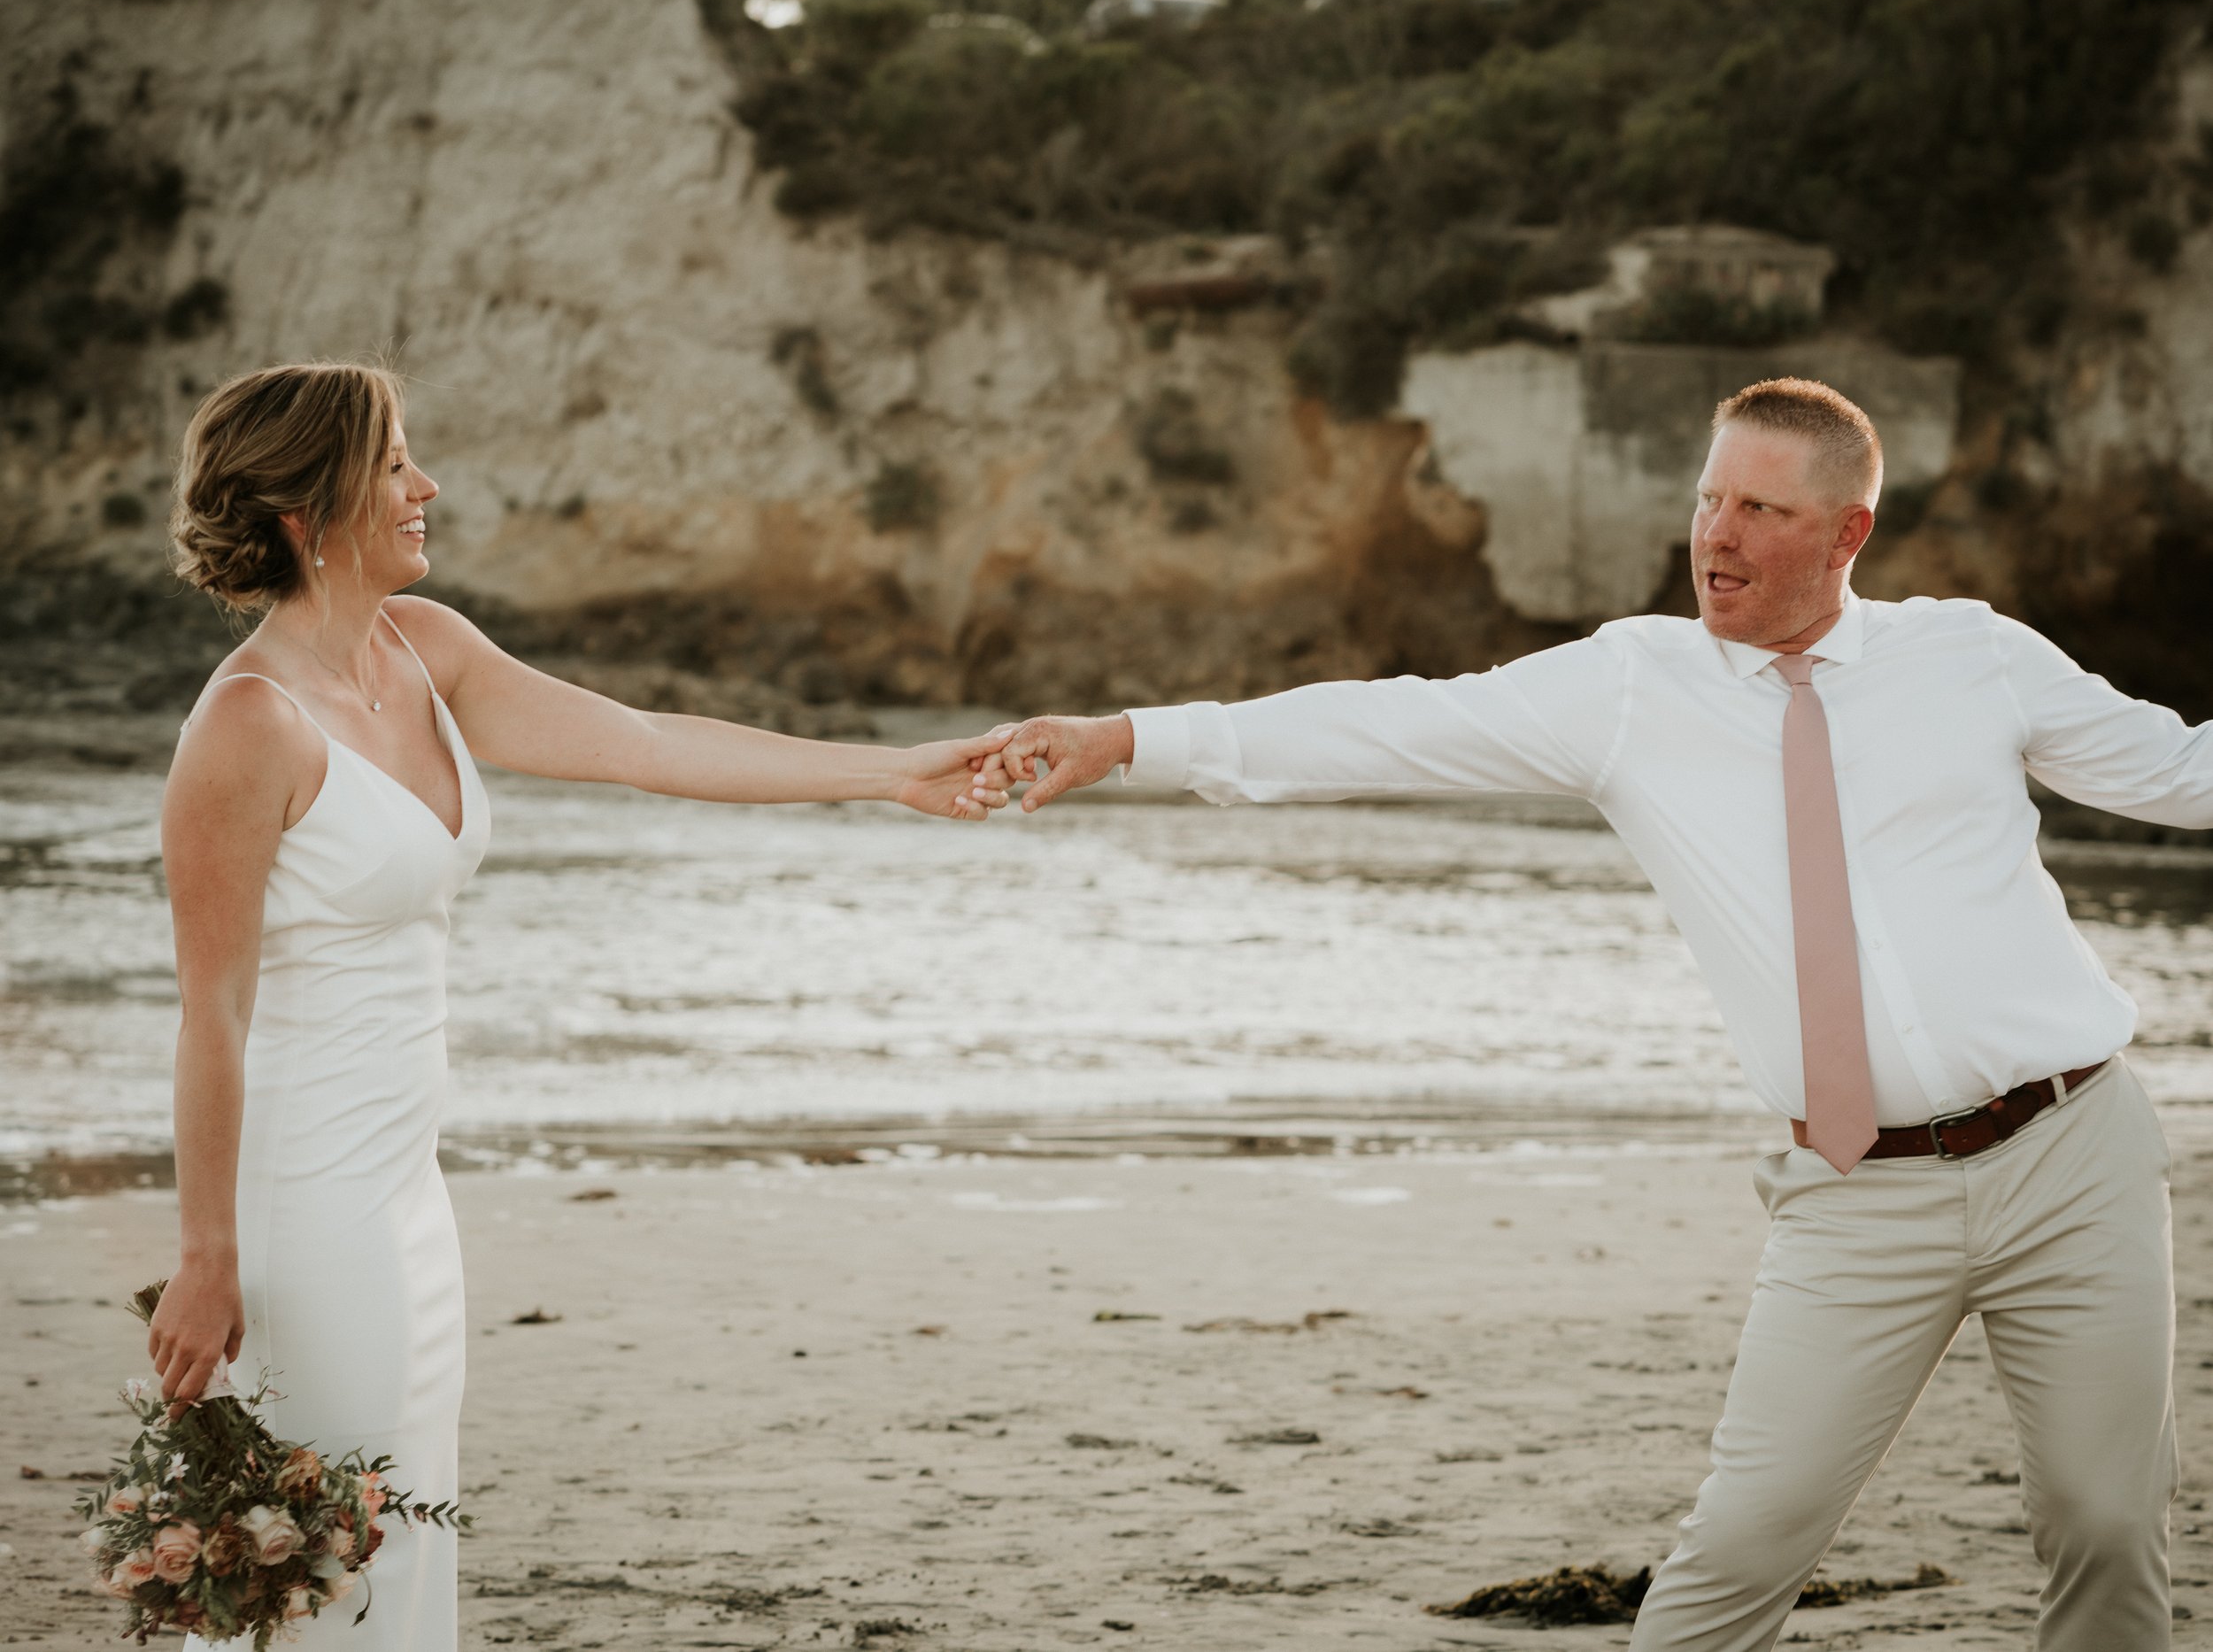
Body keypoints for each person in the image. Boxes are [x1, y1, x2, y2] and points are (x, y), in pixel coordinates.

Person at [995, 377, 2197, 1650]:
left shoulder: (1974, 657)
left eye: (1760, 510)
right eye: (1708, 497)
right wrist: (1129, 738)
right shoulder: (1631, 687)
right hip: (1857, 1188)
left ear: (1846, 535)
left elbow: (2182, 770)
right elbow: (1389, 724)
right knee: (1742, 1547)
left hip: (2072, 1151)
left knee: (2107, 1525)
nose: (1715, 535)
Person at [147, 359, 1013, 1648]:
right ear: (307, 509)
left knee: (405, 1534)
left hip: (404, 1192)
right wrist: (208, 1257)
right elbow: (210, 1012)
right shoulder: (246, 731)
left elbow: (649, 745)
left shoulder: (424, 653)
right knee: (340, 1567)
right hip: (303, 1208)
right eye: (395, 463)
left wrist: (895, 775)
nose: (425, 485)